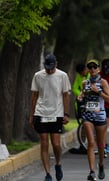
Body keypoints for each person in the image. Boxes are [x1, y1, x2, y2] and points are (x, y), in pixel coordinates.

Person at [29, 53, 71, 181]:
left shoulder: (62, 76)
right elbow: (35, 95)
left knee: (57, 144)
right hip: (41, 112)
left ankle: (58, 163)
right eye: (47, 67)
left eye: (52, 67)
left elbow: (65, 95)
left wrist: (66, 113)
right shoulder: (38, 76)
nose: (49, 70)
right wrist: (31, 115)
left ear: (56, 64)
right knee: (44, 143)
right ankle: (47, 173)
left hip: (56, 113)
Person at [77, 59, 109, 181]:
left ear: (98, 69)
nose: (92, 69)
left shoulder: (103, 82)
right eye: (89, 67)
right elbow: (82, 95)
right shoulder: (84, 83)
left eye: (94, 67)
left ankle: (101, 164)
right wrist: (80, 97)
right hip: (88, 115)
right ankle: (92, 171)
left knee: (100, 144)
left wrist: (99, 92)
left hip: (100, 115)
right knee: (91, 143)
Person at [69, 63, 90, 154]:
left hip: (92, 101)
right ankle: (83, 145)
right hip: (82, 102)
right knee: (83, 124)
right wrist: (81, 94)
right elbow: (74, 88)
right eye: (80, 73)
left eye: (83, 72)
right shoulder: (79, 76)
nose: (82, 74)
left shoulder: (91, 75)